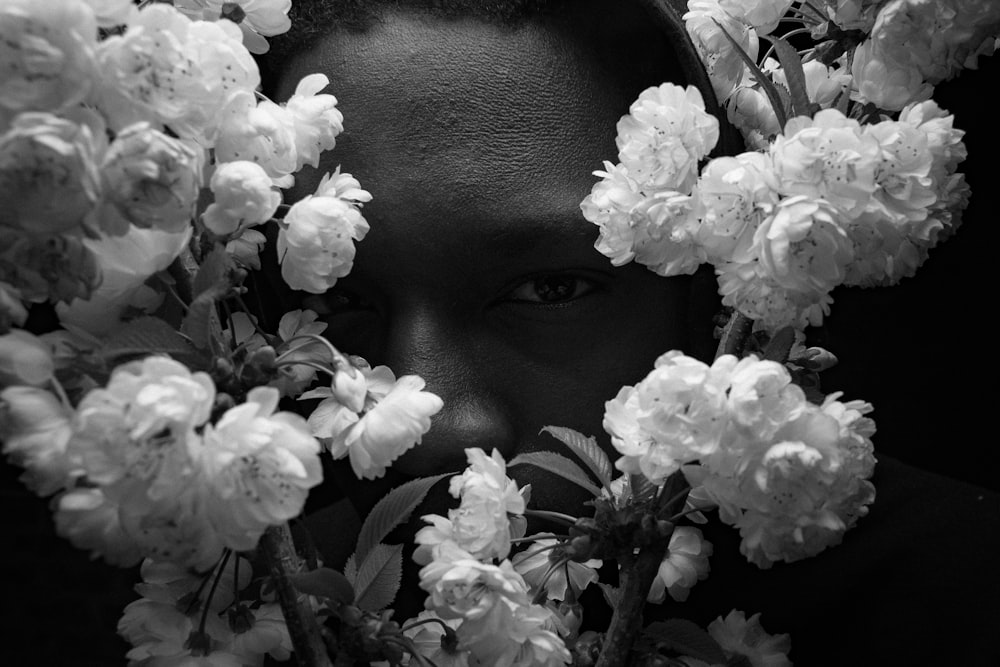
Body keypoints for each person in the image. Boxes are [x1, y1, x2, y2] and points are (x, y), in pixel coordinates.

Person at [248, 1, 1000, 666]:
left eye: (549, 290)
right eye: (343, 298)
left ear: (711, 281)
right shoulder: (250, 610)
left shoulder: (955, 604)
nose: (436, 420)